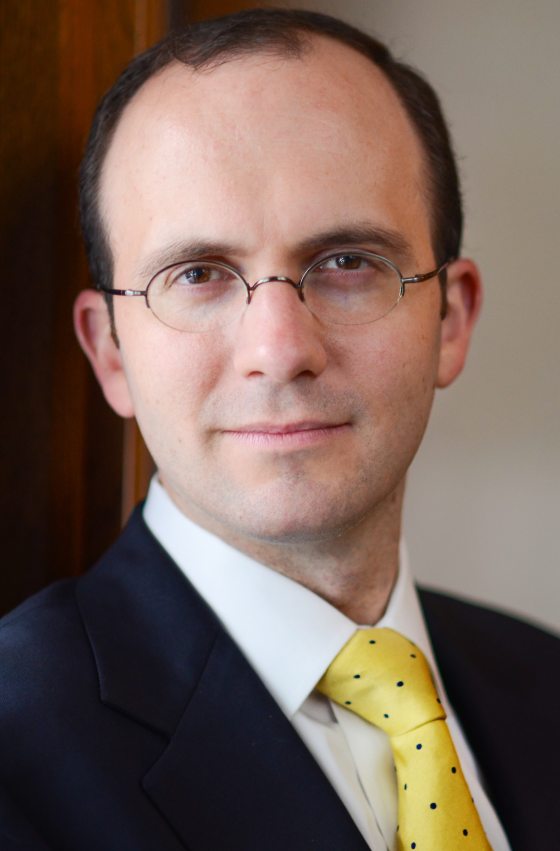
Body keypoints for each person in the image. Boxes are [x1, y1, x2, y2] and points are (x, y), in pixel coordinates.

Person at [0, 8, 557, 851]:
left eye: (346, 263)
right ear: (110, 350)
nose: (280, 350)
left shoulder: (545, 682)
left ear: (452, 319)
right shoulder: (15, 753)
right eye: (198, 274)